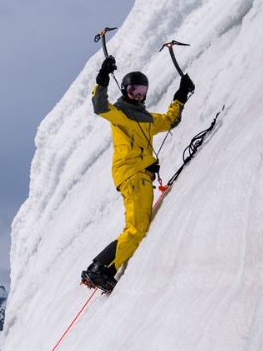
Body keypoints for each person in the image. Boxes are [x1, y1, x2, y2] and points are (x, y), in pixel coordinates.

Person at [81, 55, 195, 293]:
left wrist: (181, 95)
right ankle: (99, 269)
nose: (138, 94)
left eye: (142, 90)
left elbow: (169, 120)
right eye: (133, 89)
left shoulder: (148, 119)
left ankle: (103, 269)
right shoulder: (120, 113)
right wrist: (102, 77)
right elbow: (100, 106)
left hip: (139, 176)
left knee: (135, 227)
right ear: (124, 89)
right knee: (136, 228)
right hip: (132, 175)